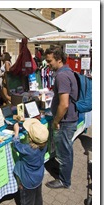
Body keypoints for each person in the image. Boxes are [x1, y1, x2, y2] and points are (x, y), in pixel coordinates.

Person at [44, 46, 78, 189]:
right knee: (66, 150)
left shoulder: (62, 76)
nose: (48, 64)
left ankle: (64, 181)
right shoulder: (67, 72)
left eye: (49, 61)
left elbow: (64, 104)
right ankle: (65, 173)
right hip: (69, 119)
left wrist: (56, 121)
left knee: (64, 152)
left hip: (65, 121)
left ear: (58, 60)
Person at [12, 119, 49, 205]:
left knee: (26, 200)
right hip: (38, 176)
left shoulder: (27, 149)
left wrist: (16, 132)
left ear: (30, 138)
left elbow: (16, 144)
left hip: (27, 180)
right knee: (38, 194)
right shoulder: (44, 145)